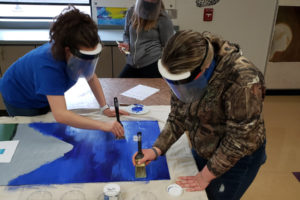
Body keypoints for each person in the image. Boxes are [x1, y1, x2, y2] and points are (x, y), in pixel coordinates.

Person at [133, 30, 267, 200]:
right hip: (206, 145)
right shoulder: (182, 69)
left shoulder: (243, 80)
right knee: (194, 192)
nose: (177, 88)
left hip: (239, 157)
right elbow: (178, 116)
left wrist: (205, 176)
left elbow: (239, 140)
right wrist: (156, 149)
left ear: (203, 70)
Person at [0, 6, 128, 138]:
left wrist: (104, 108)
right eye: (84, 59)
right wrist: (103, 125)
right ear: (68, 51)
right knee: (32, 135)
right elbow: (61, 114)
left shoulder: (76, 56)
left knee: (48, 124)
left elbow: (90, 76)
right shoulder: (48, 66)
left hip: (40, 91)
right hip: (19, 95)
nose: (86, 64)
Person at [117, 0, 174, 78]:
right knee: (121, 86)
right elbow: (126, 34)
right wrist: (126, 43)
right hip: (132, 64)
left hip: (152, 64)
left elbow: (168, 45)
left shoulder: (163, 17)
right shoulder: (131, 12)